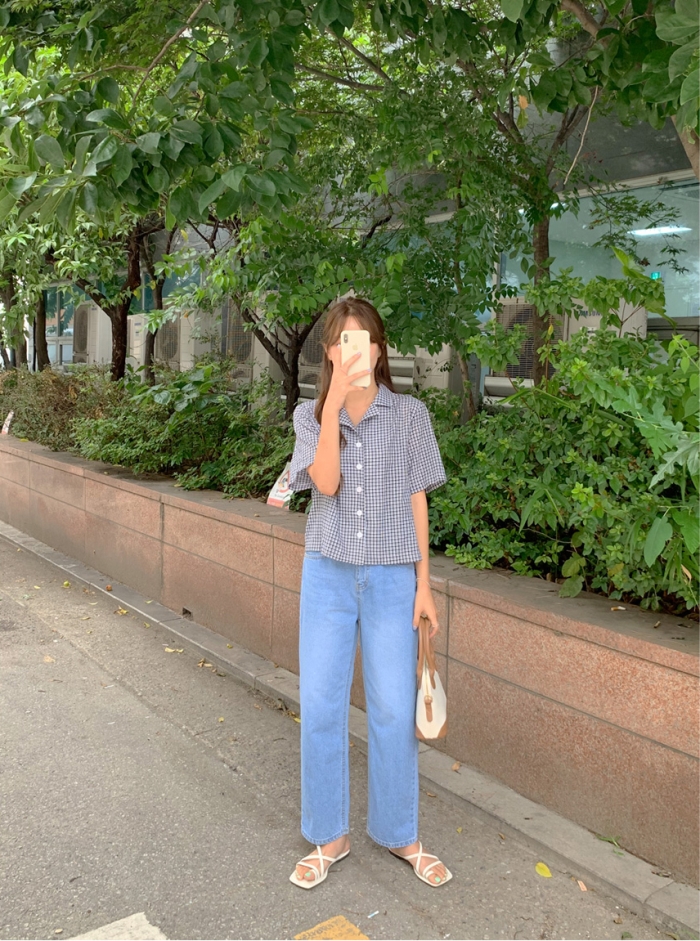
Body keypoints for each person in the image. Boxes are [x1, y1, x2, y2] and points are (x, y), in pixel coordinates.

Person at [287, 296, 453, 890]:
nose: (352, 351)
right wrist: (332, 406)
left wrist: (424, 585)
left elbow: (417, 499)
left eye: (362, 341)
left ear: (379, 350)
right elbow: (325, 484)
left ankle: (400, 832)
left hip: (391, 579)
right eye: (341, 342)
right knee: (321, 706)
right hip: (327, 575)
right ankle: (329, 835)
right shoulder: (310, 417)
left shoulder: (410, 415)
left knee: (391, 710)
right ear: (329, 353)